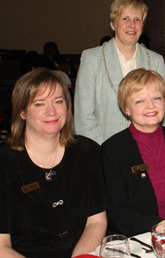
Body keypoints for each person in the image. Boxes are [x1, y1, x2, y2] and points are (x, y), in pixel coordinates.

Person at [0, 68, 106, 257]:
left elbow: (96, 222)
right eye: (40, 104)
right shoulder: (5, 163)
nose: (52, 111)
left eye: (58, 101)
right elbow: (1, 246)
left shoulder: (87, 151)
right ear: (22, 112)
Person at [102, 69, 165, 236]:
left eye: (157, 98)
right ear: (126, 108)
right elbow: (115, 212)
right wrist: (160, 225)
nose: (151, 106)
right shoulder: (113, 149)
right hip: (139, 239)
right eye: (140, 101)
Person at [75, 0, 165, 145]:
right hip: (103, 147)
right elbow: (83, 117)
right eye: (125, 18)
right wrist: (102, 152)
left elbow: (164, 112)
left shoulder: (156, 60)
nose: (132, 24)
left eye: (137, 19)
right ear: (113, 24)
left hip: (147, 147)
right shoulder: (92, 58)